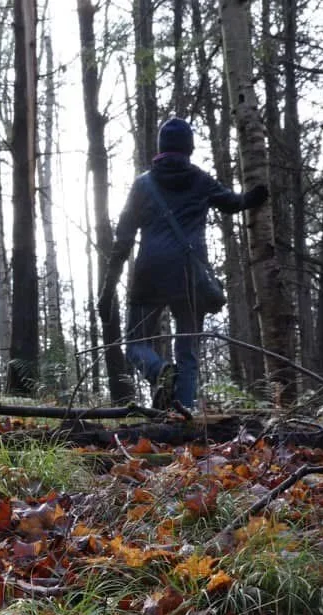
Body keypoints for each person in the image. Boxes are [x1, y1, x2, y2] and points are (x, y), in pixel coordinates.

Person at [101, 118, 267, 412]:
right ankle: (183, 415)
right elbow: (233, 203)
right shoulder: (200, 180)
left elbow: (123, 239)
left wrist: (108, 289)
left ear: (160, 149)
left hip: (149, 275)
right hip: (189, 276)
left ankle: (160, 372)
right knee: (187, 352)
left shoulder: (142, 185)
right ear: (189, 148)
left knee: (136, 346)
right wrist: (255, 197)